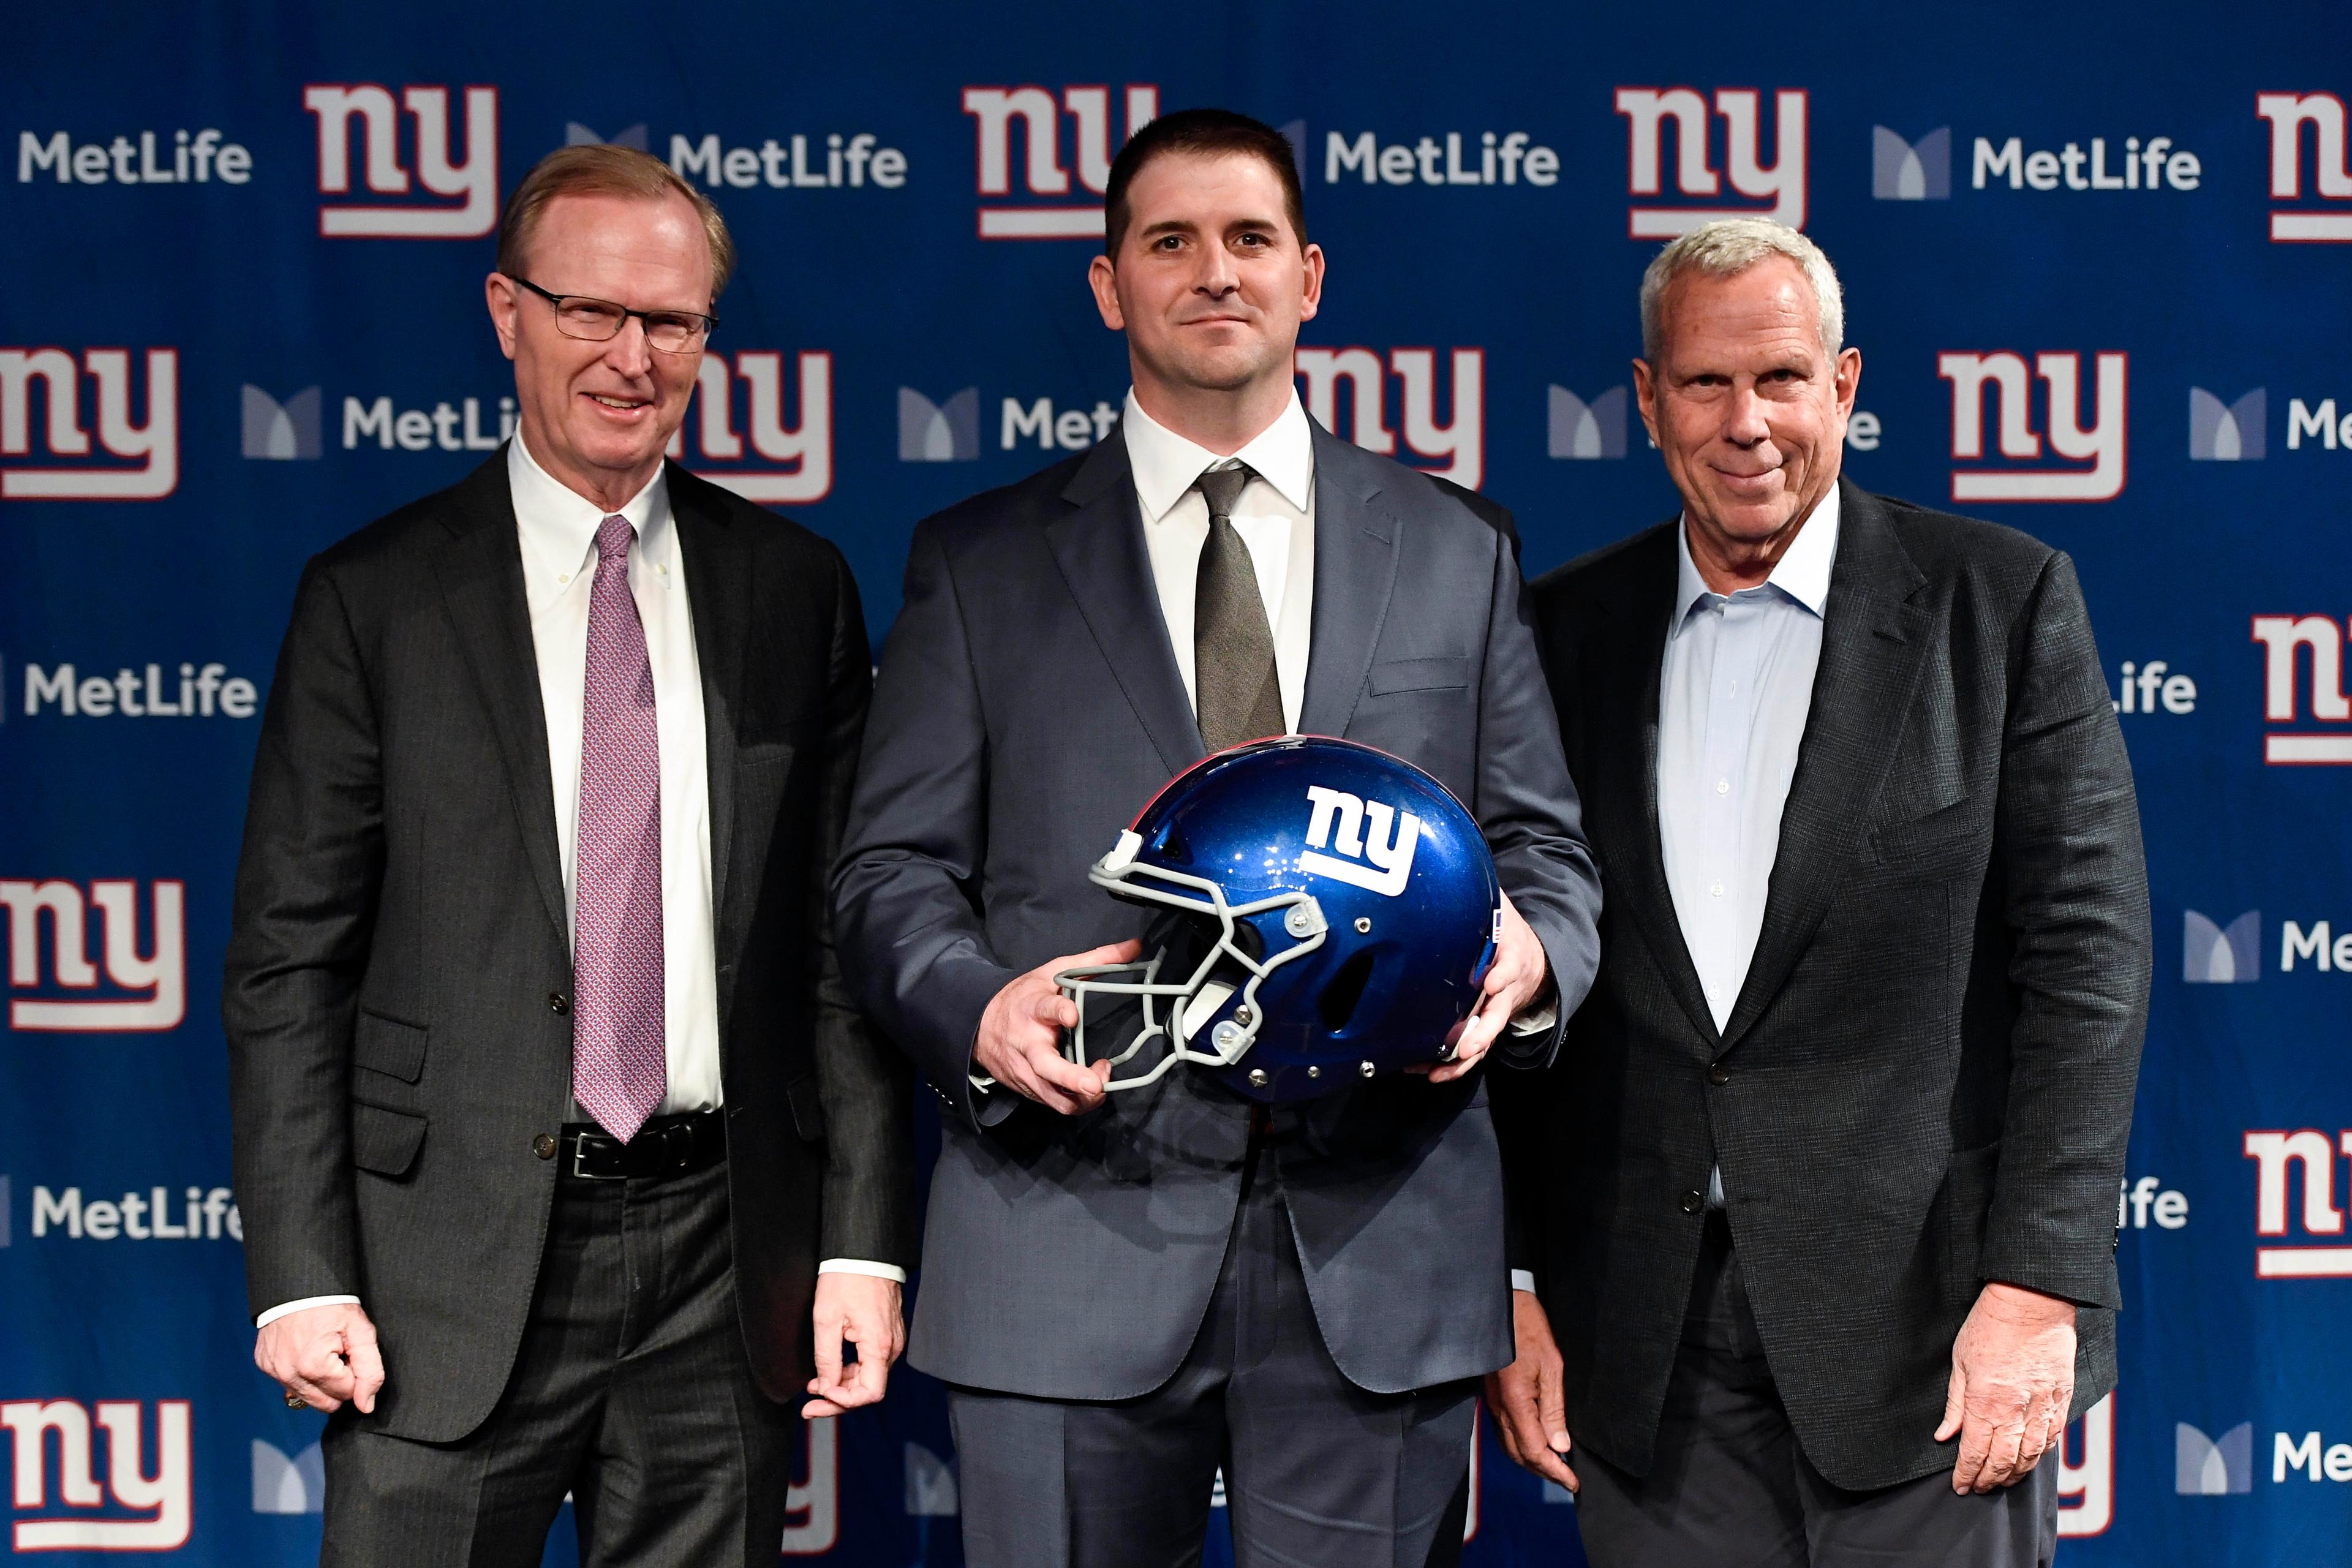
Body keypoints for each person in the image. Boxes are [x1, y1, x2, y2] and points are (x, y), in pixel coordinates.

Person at [832, 108, 1602, 1568]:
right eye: (1169, 241)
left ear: (1309, 276)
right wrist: (977, 1006)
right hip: (1069, 1228)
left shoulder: (1456, 549)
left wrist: (1523, 958)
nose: (1215, 272)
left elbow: (1545, 854)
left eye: (1250, 239)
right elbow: (888, 873)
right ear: (1109, 286)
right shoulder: (980, 563)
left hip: (1381, 1245)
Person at [222, 143, 912, 1566]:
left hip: (722, 1266)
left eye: (670, 321)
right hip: (440, 1277)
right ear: (506, 310)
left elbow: (839, 959)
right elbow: (289, 961)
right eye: (589, 310)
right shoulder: (375, 596)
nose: (630, 356)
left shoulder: (796, 591)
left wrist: (858, 1239)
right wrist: (300, 1274)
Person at [1488, 218, 2151, 1566]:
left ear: (1843, 385)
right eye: (1707, 384)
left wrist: (2042, 1281)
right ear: (1646, 397)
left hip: (1933, 1337)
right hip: (1644, 1338)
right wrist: (1505, 1278)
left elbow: (2087, 957)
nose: (1748, 423)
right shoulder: (1558, 634)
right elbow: (1507, 973)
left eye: (1783, 379)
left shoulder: (1999, 603)